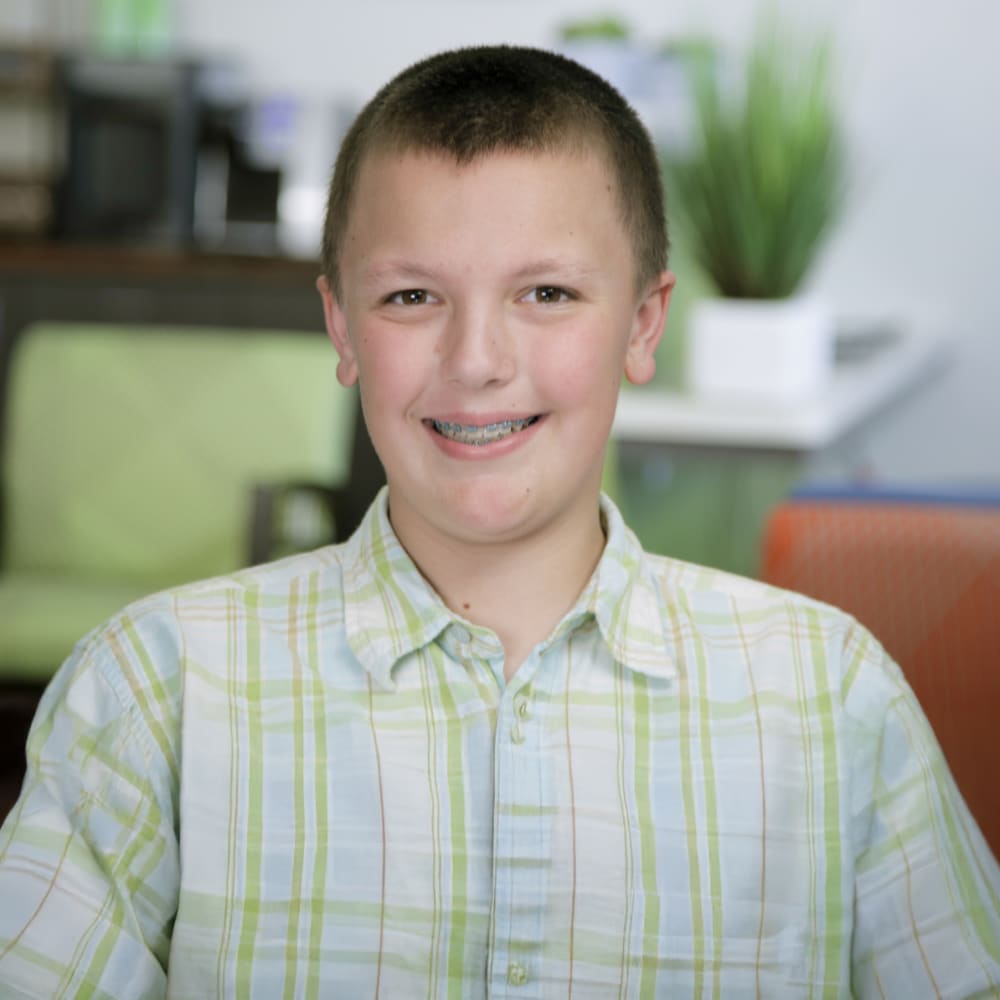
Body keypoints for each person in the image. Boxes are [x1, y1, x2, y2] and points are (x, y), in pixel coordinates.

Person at [1, 44, 998, 999]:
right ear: (342, 326)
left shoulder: (831, 698)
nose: (476, 361)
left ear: (643, 322)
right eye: (411, 296)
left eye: (547, 293)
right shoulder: (154, 691)